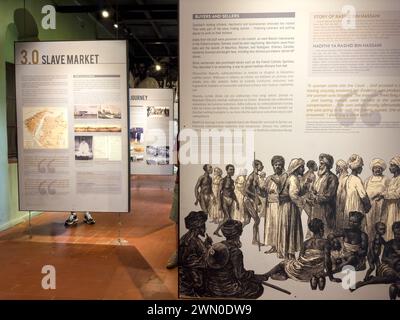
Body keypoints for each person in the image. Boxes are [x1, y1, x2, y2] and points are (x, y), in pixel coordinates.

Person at [264, 218, 341, 290]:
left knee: (283, 263)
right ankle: (317, 276)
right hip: (316, 269)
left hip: (301, 269)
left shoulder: (305, 243)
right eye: (323, 228)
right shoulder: (325, 242)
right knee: (332, 263)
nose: (323, 230)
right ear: (321, 229)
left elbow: (300, 258)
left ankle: (267, 275)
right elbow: (327, 261)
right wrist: (331, 278)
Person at [205, 220, 265, 299]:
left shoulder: (217, 246)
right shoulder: (235, 252)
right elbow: (240, 275)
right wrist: (252, 275)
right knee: (258, 288)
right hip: (229, 289)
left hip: (213, 287)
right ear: (239, 233)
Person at [350, 221, 400, 296]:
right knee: (392, 276)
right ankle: (364, 283)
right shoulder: (389, 244)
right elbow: (384, 259)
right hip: (388, 267)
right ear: (393, 233)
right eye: (397, 234)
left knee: (396, 276)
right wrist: (394, 260)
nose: (398, 236)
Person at [276, 158, 305, 259]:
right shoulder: (293, 178)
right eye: (302, 167)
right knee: (291, 228)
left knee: (287, 228)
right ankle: (290, 253)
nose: (303, 169)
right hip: (290, 207)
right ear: (297, 168)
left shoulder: (288, 177)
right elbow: (293, 195)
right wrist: (301, 204)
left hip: (285, 206)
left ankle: (287, 253)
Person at [179, 211, 212, 296]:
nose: (205, 228)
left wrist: (206, 245)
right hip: (193, 281)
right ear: (198, 226)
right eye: (204, 225)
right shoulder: (191, 241)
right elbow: (192, 263)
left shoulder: (193, 238)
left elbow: (198, 252)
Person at [308, 154, 338, 237]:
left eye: (322, 164)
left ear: (327, 165)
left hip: (326, 209)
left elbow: (329, 195)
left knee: (326, 231)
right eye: (320, 163)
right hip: (316, 208)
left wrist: (316, 197)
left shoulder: (332, 178)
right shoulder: (319, 177)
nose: (320, 166)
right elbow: (315, 190)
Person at [264, 155, 287, 255]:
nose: (277, 166)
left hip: (279, 205)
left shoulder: (284, 177)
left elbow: (283, 188)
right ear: (272, 166)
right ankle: (273, 246)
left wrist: (276, 182)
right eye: (275, 165)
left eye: (279, 165)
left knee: (279, 225)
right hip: (270, 204)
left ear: (282, 166)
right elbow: (264, 190)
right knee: (271, 226)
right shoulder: (269, 178)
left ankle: (281, 248)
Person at [344, 154, 371, 230]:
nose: (362, 169)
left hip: (349, 207)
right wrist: (368, 206)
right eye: (361, 167)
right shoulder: (357, 180)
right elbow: (363, 196)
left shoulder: (349, 178)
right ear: (357, 168)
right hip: (357, 207)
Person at [364, 158, 390, 239]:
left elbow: (389, 191)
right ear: (373, 169)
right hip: (370, 206)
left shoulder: (386, 179)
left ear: (382, 169)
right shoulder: (368, 180)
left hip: (381, 205)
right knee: (369, 225)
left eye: (379, 168)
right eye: (376, 168)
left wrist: (381, 195)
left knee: (380, 224)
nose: (377, 169)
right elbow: (364, 192)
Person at [214, 165, 239, 237]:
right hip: (224, 199)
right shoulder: (223, 180)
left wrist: (237, 201)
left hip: (231, 200)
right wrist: (219, 203)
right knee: (227, 217)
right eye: (230, 169)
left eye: (233, 169)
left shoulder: (232, 181)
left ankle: (229, 233)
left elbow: (232, 192)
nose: (232, 171)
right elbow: (219, 192)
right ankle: (216, 231)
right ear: (227, 170)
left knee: (230, 218)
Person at [243, 160, 264, 246]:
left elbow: (258, 189)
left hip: (252, 200)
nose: (262, 167)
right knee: (257, 220)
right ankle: (254, 240)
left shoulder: (257, 176)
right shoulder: (252, 176)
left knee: (247, 221)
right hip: (249, 200)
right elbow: (246, 189)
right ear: (256, 166)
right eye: (260, 165)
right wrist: (254, 195)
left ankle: (234, 233)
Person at [380, 156, 400, 240]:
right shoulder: (392, 179)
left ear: (398, 167)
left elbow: (397, 194)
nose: (390, 168)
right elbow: (388, 191)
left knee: (393, 224)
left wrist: (384, 195)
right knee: (388, 225)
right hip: (389, 206)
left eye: (392, 165)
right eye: (390, 165)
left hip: (395, 207)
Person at [335, 159, 349, 231]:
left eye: (337, 167)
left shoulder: (345, 178)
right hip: (337, 205)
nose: (336, 169)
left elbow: (343, 194)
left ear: (340, 168)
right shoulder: (339, 177)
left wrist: (340, 206)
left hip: (342, 206)